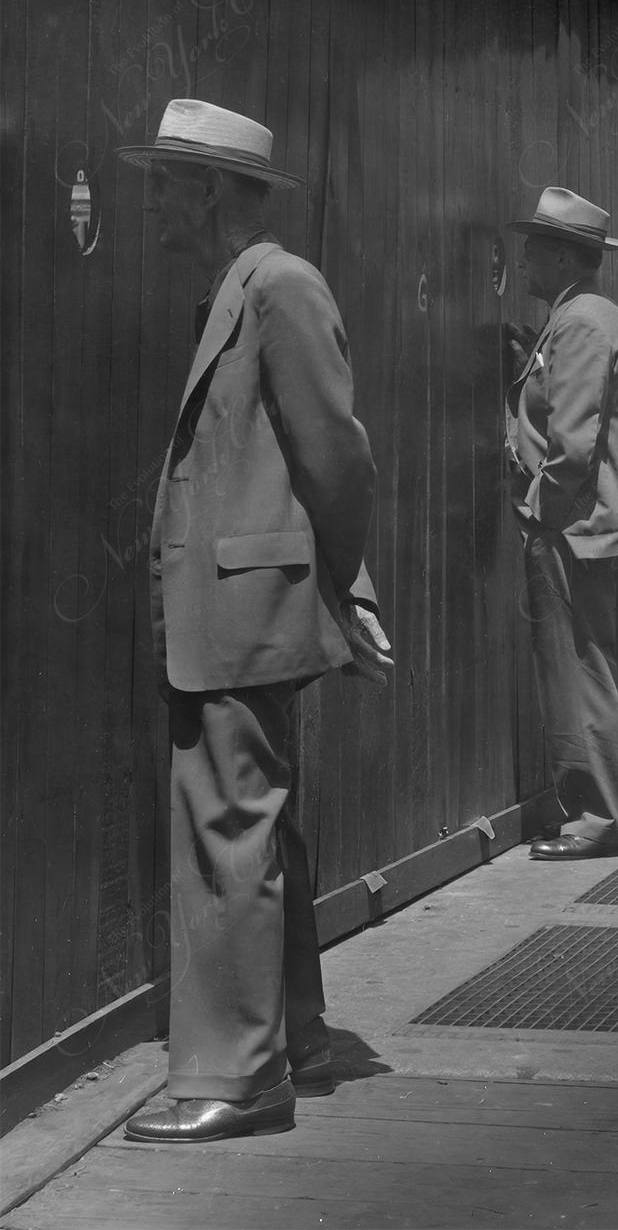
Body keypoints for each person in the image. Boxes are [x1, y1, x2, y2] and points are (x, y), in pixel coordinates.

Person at [116, 100, 393, 1142]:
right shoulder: (241, 286)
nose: (153, 203)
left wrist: (347, 586)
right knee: (256, 824)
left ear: (211, 192)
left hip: (245, 609)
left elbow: (338, 456)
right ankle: (297, 1040)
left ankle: (238, 1079)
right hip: (235, 606)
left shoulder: (279, 285)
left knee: (228, 831)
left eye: (165, 183)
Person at [505, 187, 618, 860]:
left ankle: (599, 818)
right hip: (604, 523)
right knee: (595, 668)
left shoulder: (577, 323)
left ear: (564, 257)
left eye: (533, 251)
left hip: (578, 525)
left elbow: (571, 444)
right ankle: (602, 810)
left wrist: (536, 513)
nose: (523, 262)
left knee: (583, 672)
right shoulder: (598, 316)